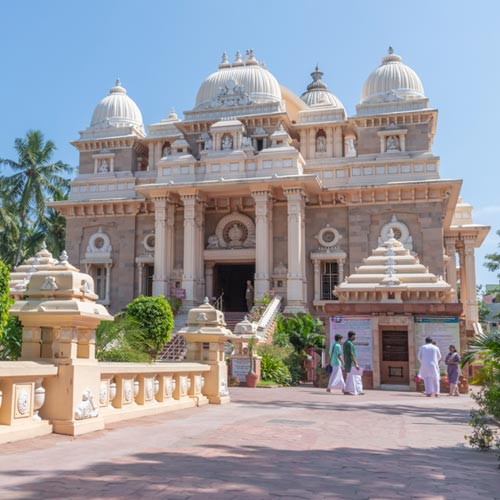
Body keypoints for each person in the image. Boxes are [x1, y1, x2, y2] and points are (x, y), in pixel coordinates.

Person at [343, 331, 364, 395]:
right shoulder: (349, 343)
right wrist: (355, 364)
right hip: (351, 363)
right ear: (352, 336)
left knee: (352, 377)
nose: (355, 337)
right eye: (354, 336)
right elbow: (351, 355)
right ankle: (355, 390)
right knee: (354, 377)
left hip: (348, 363)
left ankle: (357, 390)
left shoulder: (346, 343)